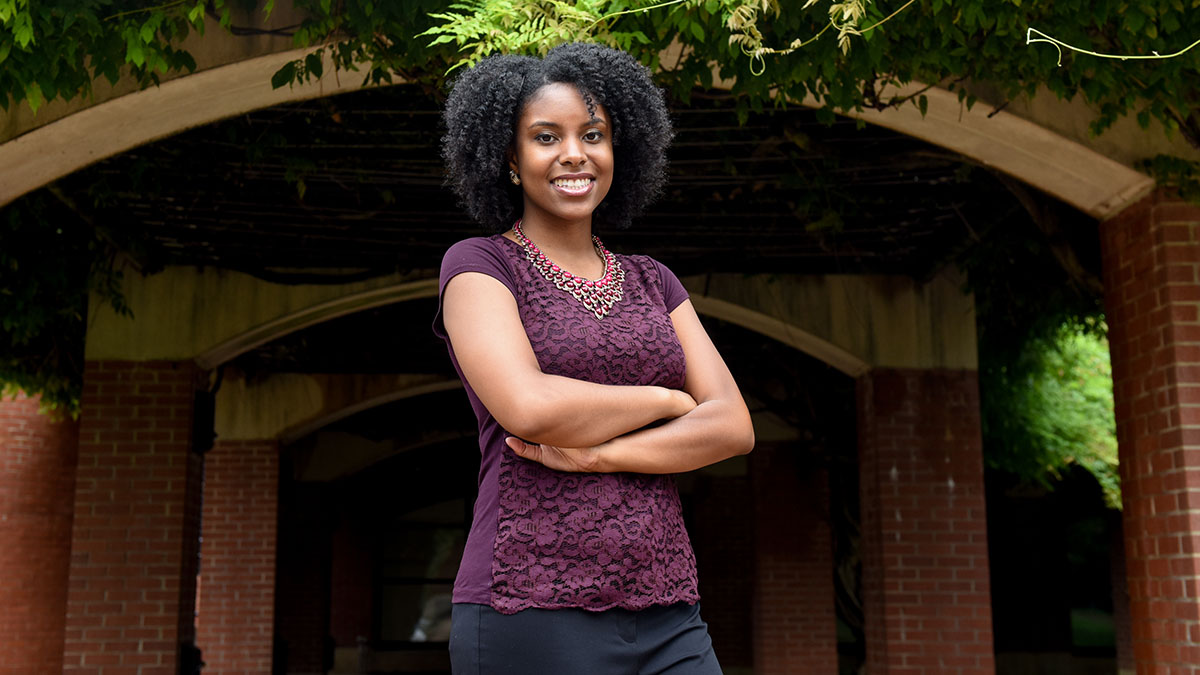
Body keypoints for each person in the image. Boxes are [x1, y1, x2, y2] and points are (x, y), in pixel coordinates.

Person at [432, 42, 755, 674]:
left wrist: (600, 454)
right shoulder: (479, 266)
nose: (574, 153)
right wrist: (668, 404)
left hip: (667, 605)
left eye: (594, 134)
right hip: (530, 600)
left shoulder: (652, 280)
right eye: (546, 136)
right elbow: (530, 407)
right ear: (509, 156)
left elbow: (733, 427)